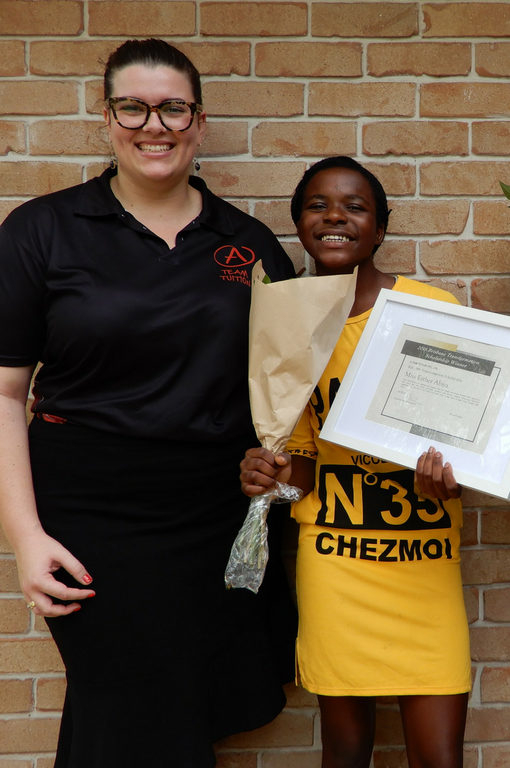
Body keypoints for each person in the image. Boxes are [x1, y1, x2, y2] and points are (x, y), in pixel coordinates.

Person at [0, 39, 297, 768]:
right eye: (133, 107)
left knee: (188, 699)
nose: (153, 125)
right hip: (93, 511)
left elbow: (285, 396)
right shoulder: (42, 231)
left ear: (199, 122)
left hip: (212, 512)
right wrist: (24, 538)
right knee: (127, 693)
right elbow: (5, 392)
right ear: (106, 119)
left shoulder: (250, 245)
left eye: (172, 109)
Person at [239, 156, 470, 768]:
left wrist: (453, 479)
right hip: (337, 568)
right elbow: (307, 462)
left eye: (355, 206)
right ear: (298, 224)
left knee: (440, 757)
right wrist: (273, 475)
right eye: (317, 205)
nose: (335, 216)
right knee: (344, 754)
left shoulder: (431, 311)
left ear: (381, 227)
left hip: (424, 565)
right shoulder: (287, 322)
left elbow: (473, 445)